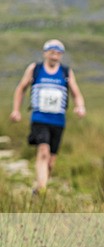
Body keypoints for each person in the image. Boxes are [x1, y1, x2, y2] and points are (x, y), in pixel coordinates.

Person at [10, 39, 86, 195]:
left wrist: (80, 107)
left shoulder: (66, 72)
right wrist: (16, 110)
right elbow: (21, 88)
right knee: (43, 151)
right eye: (52, 52)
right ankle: (43, 191)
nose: (55, 56)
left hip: (58, 121)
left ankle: (39, 188)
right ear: (45, 53)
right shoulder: (35, 69)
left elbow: (76, 93)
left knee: (51, 161)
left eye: (58, 53)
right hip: (39, 119)